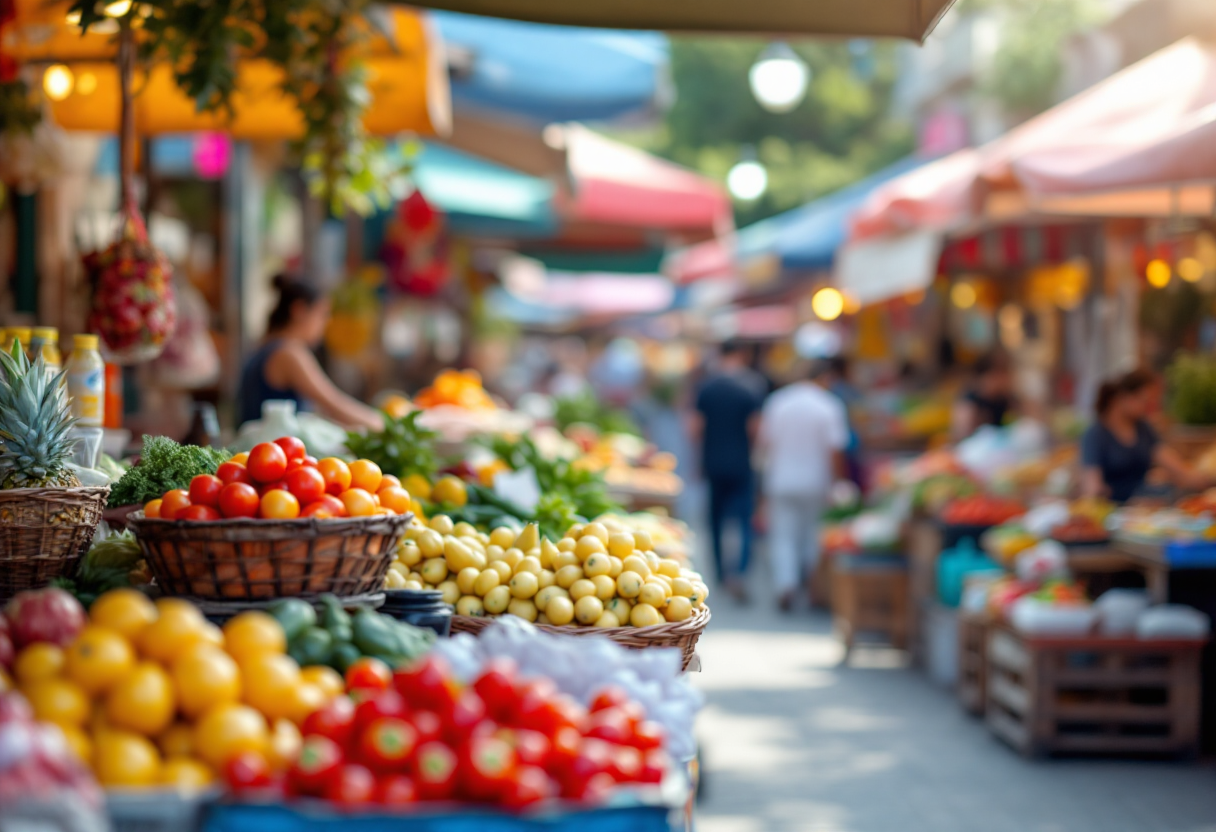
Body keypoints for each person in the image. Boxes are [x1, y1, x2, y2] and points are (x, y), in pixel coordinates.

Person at [757, 361, 849, 611]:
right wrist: (839, 481)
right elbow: (835, 449)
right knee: (813, 535)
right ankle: (811, 586)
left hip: (781, 478)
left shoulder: (778, 402)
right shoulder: (829, 405)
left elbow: (765, 443)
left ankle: (785, 585)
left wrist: (761, 482)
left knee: (783, 536)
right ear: (825, 377)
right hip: (816, 480)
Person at [238, 275, 383, 430]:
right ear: (299, 310)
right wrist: (382, 424)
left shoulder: (264, 345)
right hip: (273, 450)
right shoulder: (289, 353)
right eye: (322, 314)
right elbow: (333, 404)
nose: (327, 322)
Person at [692, 341, 766, 601]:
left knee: (714, 520)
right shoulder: (751, 386)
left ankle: (721, 574)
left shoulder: (707, 387)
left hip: (713, 462)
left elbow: (695, 429)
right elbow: (755, 428)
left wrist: (697, 460)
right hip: (741, 463)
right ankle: (740, 571)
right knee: (744, 520)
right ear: (741, 355)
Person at [1081, 369, 1209, 503]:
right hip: (1117, 510)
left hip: (1145, 506)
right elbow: (1093, 488)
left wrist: (1203, 479)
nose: (1149, 407)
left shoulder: (1143, 428)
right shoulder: (1095, 435)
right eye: (1145, 401)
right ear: (1124, 397)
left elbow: (1175, 466)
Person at [952, 353, 1015, 440]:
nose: (1006, 379)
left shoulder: (1002, 398)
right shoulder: (969, 401)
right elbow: (961, 435)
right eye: (1000, 374)